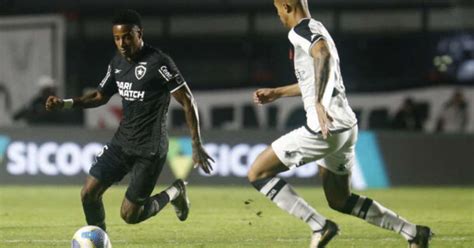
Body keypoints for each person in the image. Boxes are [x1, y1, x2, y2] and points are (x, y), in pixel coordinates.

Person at [247, 1, 433, 247]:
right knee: (340, 200)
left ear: (287, 6)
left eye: (278, 9)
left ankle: (319, 226)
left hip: (325, 127)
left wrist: (320, 104)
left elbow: (322, 54)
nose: (279, 15)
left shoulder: (299, 31)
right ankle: (413, 232)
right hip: (346, 127)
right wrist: (278, 92)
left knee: (258, 172)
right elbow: (317, 74)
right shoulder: (318, 27)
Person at [45, 9, 214, 231]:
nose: (122, 42)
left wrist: (196, 143)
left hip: (150, 149)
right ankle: (100, 243)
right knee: (88, 194)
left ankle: (175, 191)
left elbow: (188, 101)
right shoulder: (117, 64)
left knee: (130, 215)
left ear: (139, 34)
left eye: (127, 36)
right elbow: (99, 96)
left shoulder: (159, 63)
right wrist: (65, 103)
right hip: (122, 143)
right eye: (117, 38)